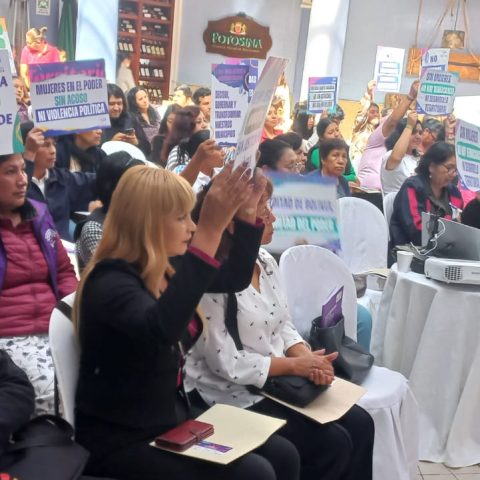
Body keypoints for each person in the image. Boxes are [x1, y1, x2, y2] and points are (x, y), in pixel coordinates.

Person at [73, 163, 301, 480]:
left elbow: (234, 277)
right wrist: (210, 230)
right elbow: (161, 330)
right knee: (255, 474)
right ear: (147, 222)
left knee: (283, 454)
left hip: (169, 420)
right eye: (182, 218)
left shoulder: (165, 268)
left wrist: (248, 212)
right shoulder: (109, 281)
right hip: (123, 439)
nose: (192, 227)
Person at [185, 184, 374, 480]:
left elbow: (283, 323)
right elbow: (228, 364)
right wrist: (295, 366)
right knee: (331, 444)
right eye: (263, 211)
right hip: (231, 392)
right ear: (234, 223)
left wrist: (307, 358)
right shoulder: (211, 279)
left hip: (277, 381)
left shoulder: (264, 259)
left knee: (361, 423)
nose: (272, 218)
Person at [0, 152, 77, 414]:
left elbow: (64, 272)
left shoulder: (39, 215)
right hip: (9, 337)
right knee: (52, 392)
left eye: (23, 170)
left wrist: (76, 312)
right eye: (10, 172)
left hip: (56, 328)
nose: (23, 180)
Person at [22, 125, 97, 240]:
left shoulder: (61, 178)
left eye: (54, 144)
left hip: (64, 247)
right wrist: (29, 156)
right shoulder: (17, 185)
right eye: (46, 145)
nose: (53, 151)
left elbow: (96, 181)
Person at [74, 152, 144, 269]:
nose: (144, 189)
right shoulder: (95, 229)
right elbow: (112, 273)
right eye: (136, 184)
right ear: (114, 188)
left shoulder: (142, 218)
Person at [390, 142, 463, 247]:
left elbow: (459, 228)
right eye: (449, 168)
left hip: (444, 250)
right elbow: (415, 229)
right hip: (412, 249)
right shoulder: (413, 187)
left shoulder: (454, 193)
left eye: (455, 170)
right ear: (432, 166)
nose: (453, 174)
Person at [357, 80, 419, 191]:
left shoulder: (411, 155)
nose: (417, 136)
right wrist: (410, 96)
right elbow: (392, 122)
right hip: (367, 193)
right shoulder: (376, 140)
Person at [101, 83, 151, 158]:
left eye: (119, 103)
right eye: (111, 104)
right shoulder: (96, 122)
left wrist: (136, 142)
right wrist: (111, 144)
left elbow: (147, 149)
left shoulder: (130, 118)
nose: (116, 108)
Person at [380, 112, 422, 194]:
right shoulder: (389, 155)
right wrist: (409, 126)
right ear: (400, 134)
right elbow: (396, 158)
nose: (418, 136)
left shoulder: (418, 158)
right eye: (413, 132)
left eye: (420, 133)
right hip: (399, 200)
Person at [305, 119, 358, 184]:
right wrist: (348, 179)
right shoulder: (317, 152)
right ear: (321, 137)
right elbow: (327, 177)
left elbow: (353, 175)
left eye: (337, 130)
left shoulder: (343, 150)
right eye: (331, 132)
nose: (336, 134)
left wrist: (350, 179)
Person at [349, 80, 380, 170]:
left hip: (372, 165)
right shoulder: (360, 128)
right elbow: (362, 114)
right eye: (372, 112)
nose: (376, 114)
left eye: (377, 112)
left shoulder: (378, 130)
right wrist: (368, 94)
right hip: (357, 163)